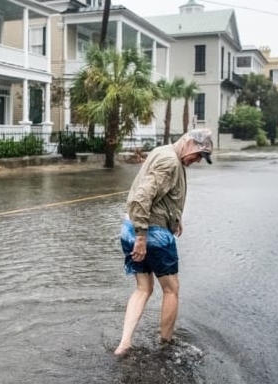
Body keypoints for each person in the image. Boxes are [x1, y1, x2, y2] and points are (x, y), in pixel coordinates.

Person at [114, 128, 213, 356]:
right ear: (188, 143)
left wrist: (175, 218)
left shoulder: (163, 151)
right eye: (198, 155)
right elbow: (142, 197)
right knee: (171, 290)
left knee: (143, 288)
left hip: (129, 228)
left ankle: (124, 344)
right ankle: (166, 344)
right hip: (151, 234)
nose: (197, 161)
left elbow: (162, 194)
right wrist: (142, 238)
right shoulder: (170, 162)